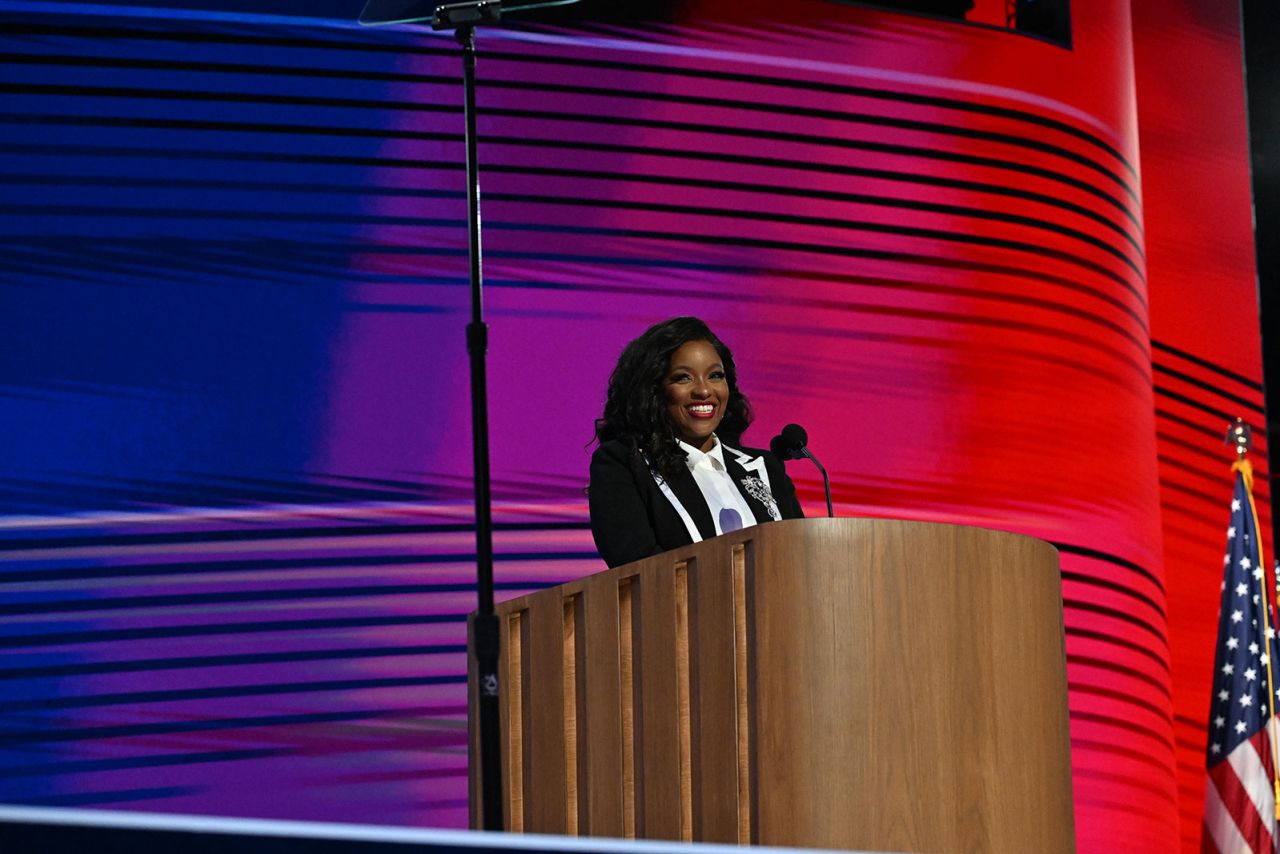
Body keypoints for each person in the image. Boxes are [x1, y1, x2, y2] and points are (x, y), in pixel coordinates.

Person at [589, 317, 804, 568]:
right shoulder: (625, 465)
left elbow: (801, 560)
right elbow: (637, 570)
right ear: (653, 391)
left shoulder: (766, 468)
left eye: (715, 375)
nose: (704, 391)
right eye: (683, 378)